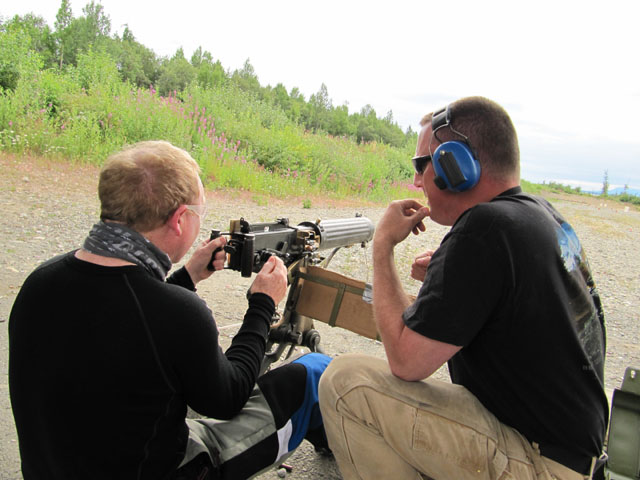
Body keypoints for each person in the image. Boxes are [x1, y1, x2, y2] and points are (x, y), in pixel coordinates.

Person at [319, 97, 608, 480]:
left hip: (538, 463)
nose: (417, 181)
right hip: (567, 455)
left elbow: (407, 362)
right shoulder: (537, 215)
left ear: (456, 165)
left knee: (345, 383)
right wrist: (447, 282)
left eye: (422, 165)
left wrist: (382, 247)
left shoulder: (484, 228)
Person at [8, 140, 331, 479]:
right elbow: (228, 398)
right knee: (312, 371)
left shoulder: (40, 282)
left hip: (56, 465)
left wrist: (187, 277)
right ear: (179, 220)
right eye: (198, 214)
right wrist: (263, 304)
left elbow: (127, 324)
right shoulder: (177, 313)